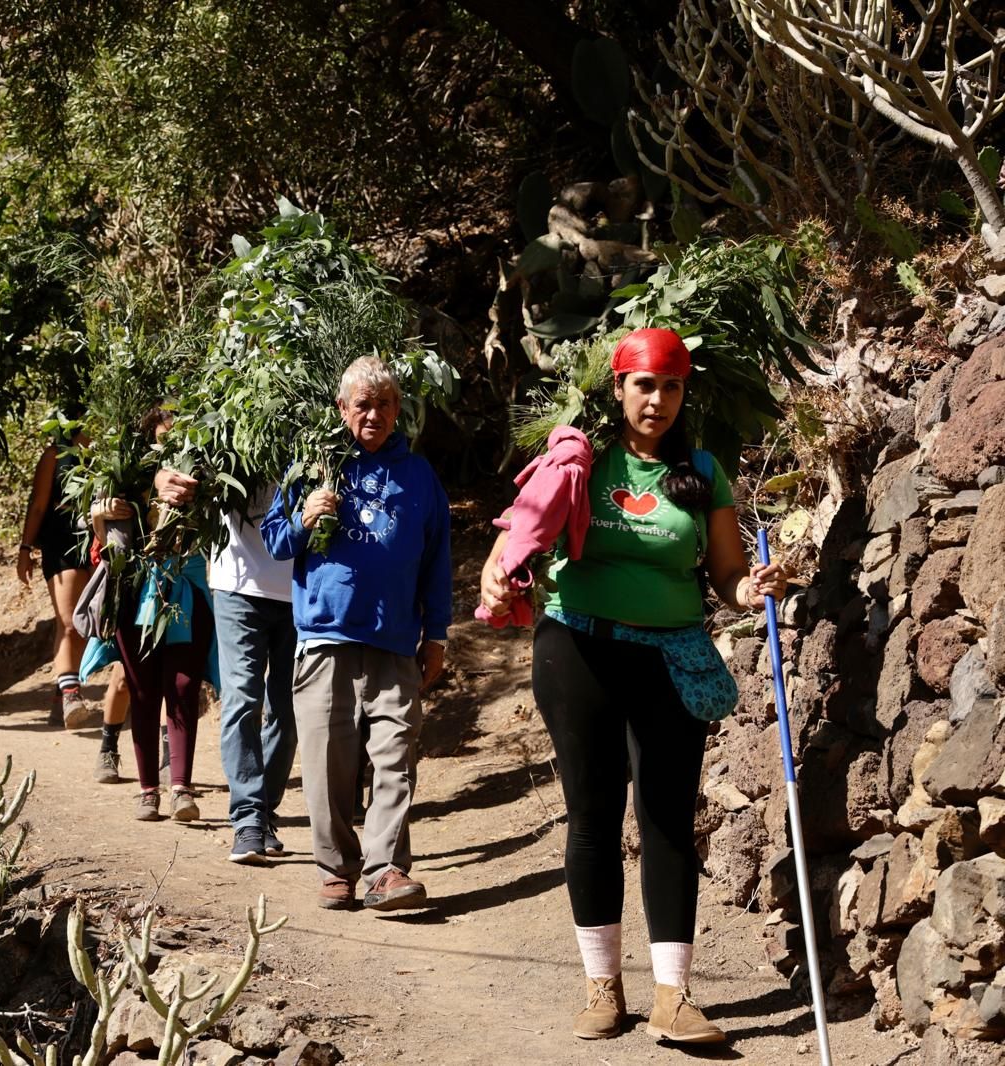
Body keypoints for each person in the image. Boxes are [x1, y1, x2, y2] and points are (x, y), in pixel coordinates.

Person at [479, 328, 787, 1045]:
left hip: (671, 655)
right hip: (577, 646)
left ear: (685, 394)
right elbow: (519, 533)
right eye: (644, 385)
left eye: (672, 386)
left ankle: (673, 997)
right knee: (592, 814)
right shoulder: (578, 461)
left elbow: (725, 574)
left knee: (668, 819)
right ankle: (602, 987)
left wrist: (752, 587)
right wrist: (498, 569)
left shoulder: (703, 472)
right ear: (617, 389)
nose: (657, 400)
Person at [261, 355, 451, 913]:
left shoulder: (418, 475)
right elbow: (275, 541)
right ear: (342, 409)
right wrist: (305, 517)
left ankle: (386, 870)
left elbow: (437, 560)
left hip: (395, 641)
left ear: (399, 410)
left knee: (395, 755)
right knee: (327, 763)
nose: (375, 414)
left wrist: (435, 633)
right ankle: (336, 868)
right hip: (325, 638)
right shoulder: (313, 467)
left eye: (385, 403)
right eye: (363, 404)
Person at [153, 469, 296, 865]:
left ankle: (265, 810)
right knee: (243, 698)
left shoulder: (311, 421)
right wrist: (162, 480)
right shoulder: (228, 412)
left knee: (288, 708)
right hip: (237, 583)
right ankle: (248, 818)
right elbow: (177, 458)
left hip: (300, 586)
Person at [91, 408, 216, 822]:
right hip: (135, 593)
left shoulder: (206, 478)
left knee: (182, 688)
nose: (173, 445)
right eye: (164, 438)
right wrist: (101, 515)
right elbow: (104, 545)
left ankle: (180, 787)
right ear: (148, 442)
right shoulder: (126, 479)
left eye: (180, 436)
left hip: (188, 590)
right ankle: (148, 791)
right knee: (143, 691)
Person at [17, 415, 97, 728]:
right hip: (61, 543)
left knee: (87, 623)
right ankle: (71, 694)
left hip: (99, 543)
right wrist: (25, 550)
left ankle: (58, 698)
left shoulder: (109, 454)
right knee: (69, 623)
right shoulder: (56, 454)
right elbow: (38, 505)